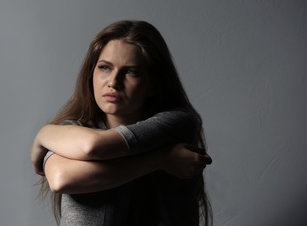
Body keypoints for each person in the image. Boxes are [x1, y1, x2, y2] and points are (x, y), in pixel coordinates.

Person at [30, 20, 213, 225]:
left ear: (153, 83)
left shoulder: (176, 123)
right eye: (105, 68)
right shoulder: (72, 132)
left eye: (130, 72)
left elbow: (93, 147)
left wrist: (43, 134)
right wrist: (160, 160)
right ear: (92, 73)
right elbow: (62, 178)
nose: (113, 83)